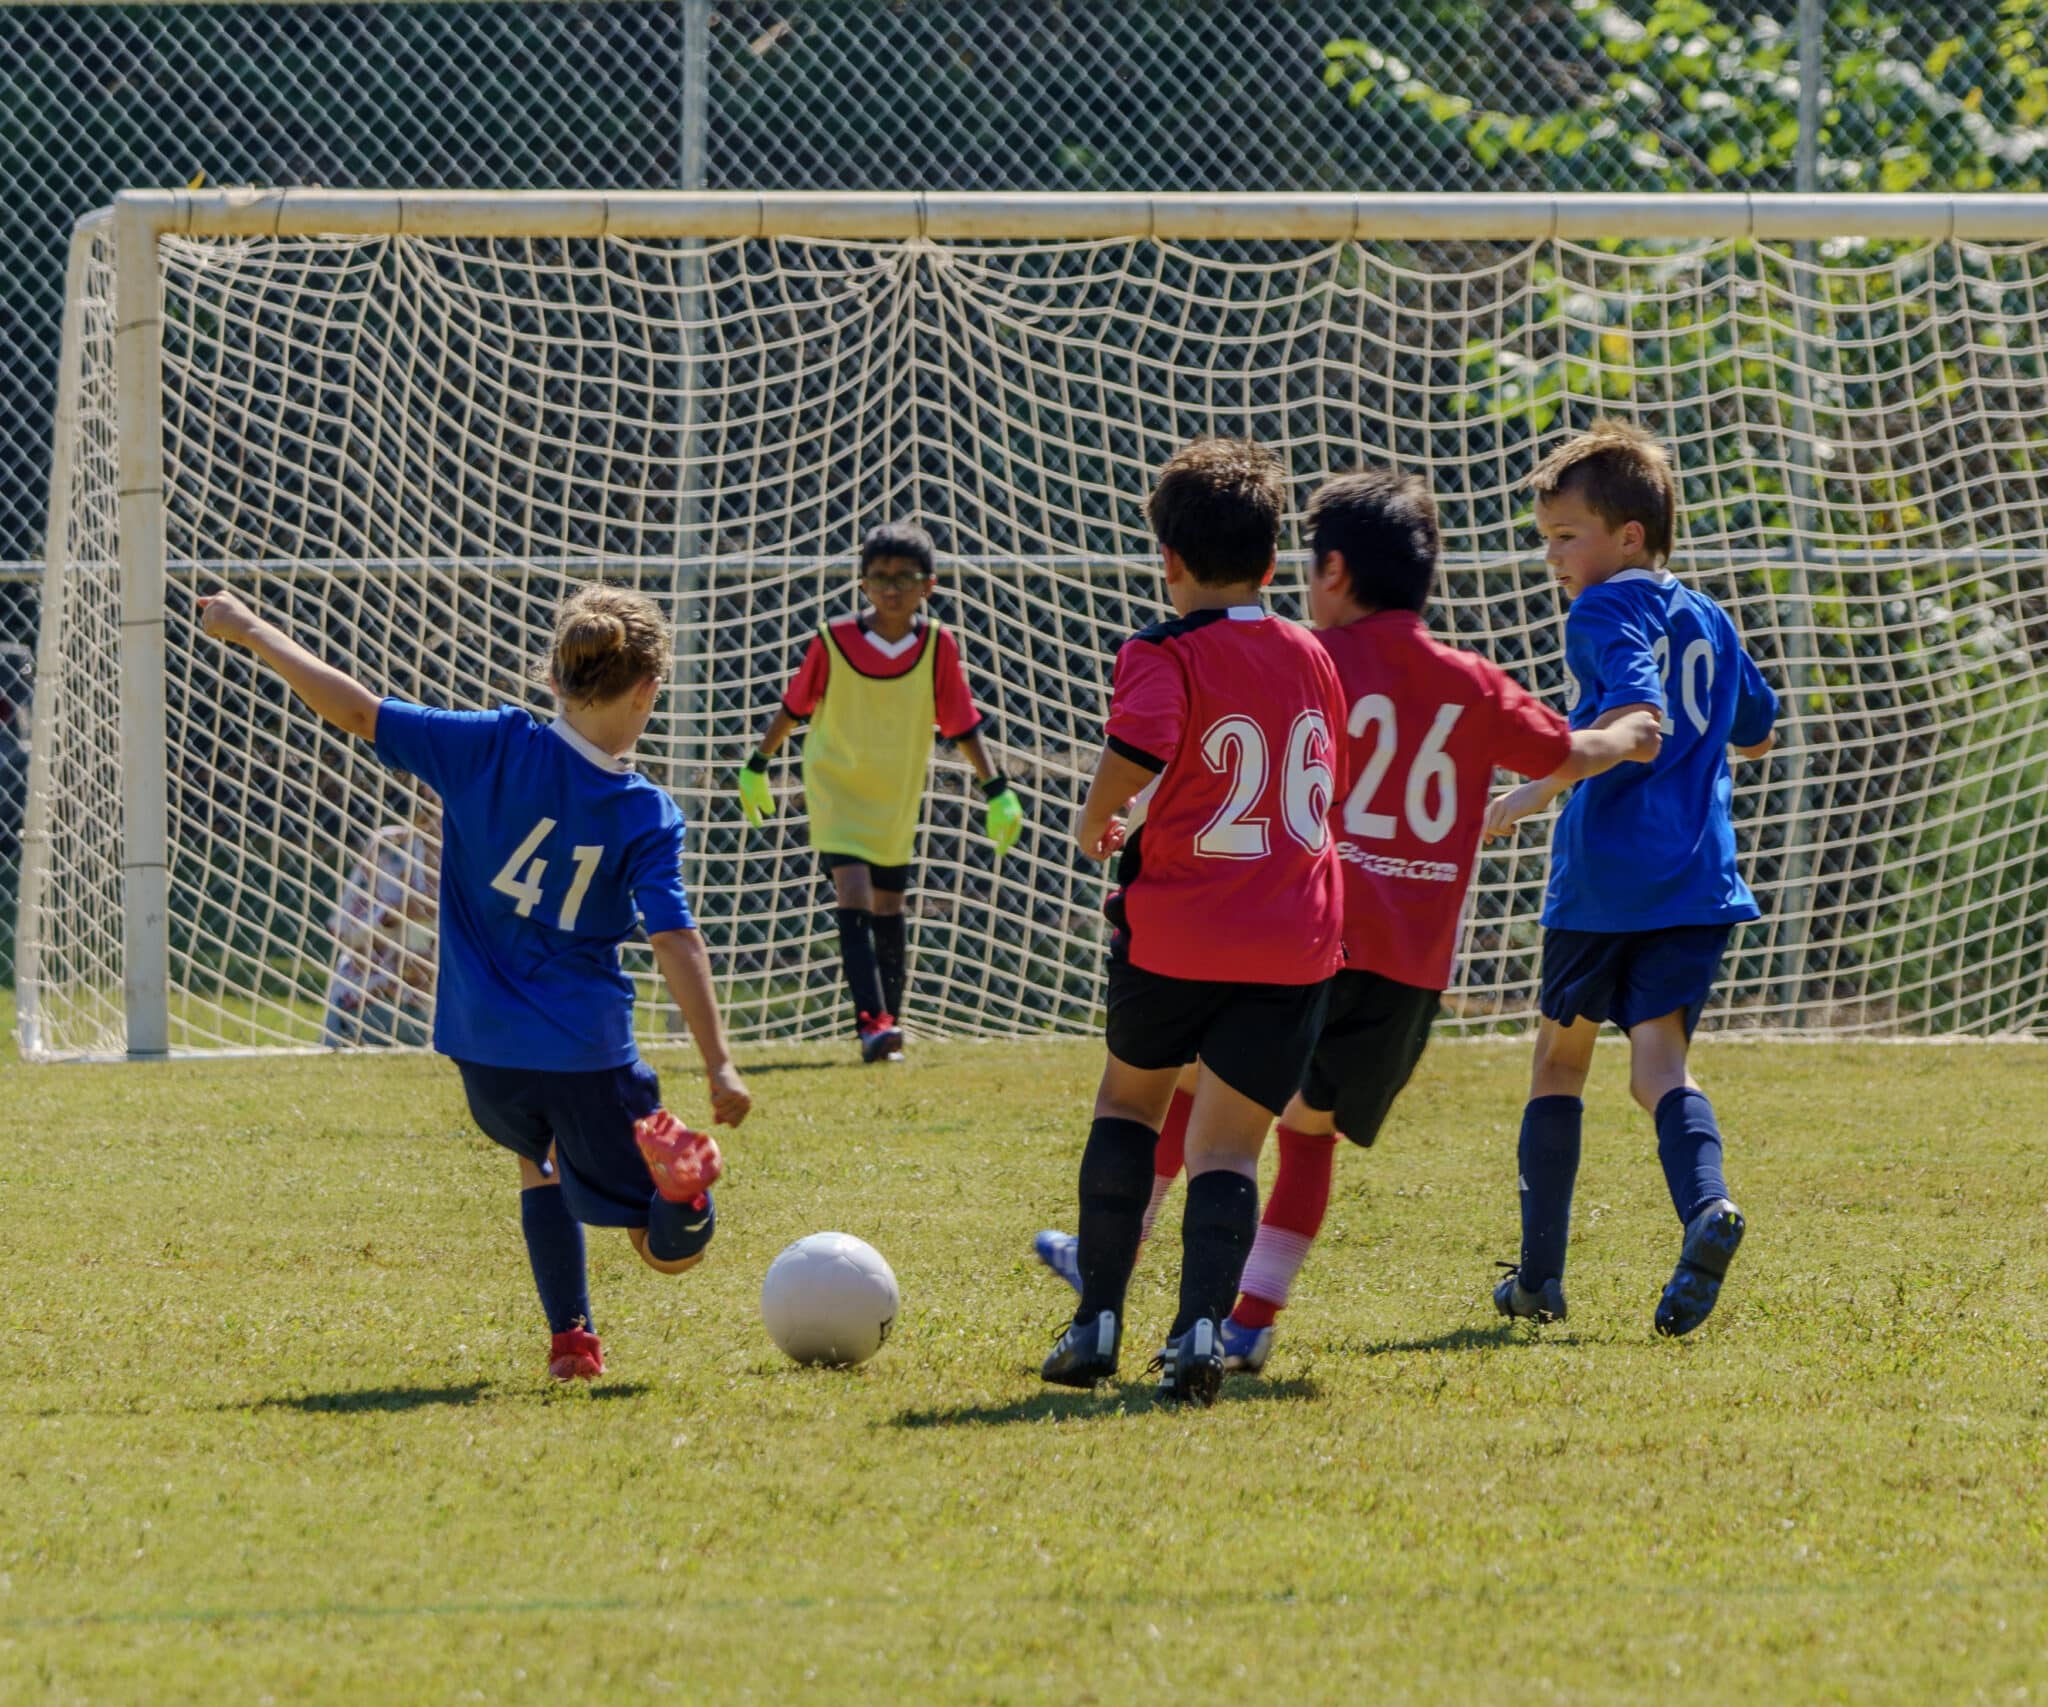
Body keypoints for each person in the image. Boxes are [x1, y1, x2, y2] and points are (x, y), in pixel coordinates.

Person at [1033, 471, 1661, 1374]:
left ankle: (1110, 1269)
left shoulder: (1301, 655)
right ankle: (1241, 1319)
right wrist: (1629, 735)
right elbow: (1563, 748)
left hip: (1287, 932)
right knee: (1296, 1134)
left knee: (1172, 1097)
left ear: (1327, 570)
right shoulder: (1455, 678)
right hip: (1395, 961)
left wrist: (1117, 831)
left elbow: (1186, 762)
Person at [197, 583, 753, 1382]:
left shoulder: (489, 744)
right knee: (664, 1249)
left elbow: (356, 710)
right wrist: (719, 1063)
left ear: (554, 681)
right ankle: (686, 1195)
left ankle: (572, 1341)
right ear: (648, 690)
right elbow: (673, 936)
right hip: (588, 1052)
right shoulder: (645, 811)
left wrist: (252, 630)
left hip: (482, 1050)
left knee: (541, 1161)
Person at [1037, 436, 1348, 1407]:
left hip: (1174, 933)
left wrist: (1099, 821)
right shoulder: (1311, 654)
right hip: (1291, 943)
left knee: (1128, 1105)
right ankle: (1199, 1333)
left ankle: (1095, 1321)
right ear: (1270, 565)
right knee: (1224, 1148)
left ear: (1168, 561)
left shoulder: (1160, 647)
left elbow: (1141, 741)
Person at [1483, 420, 1778, 1337]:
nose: (1555, 558)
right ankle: (1706, 1208)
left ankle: (1537, 1279)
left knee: (1559, 1063)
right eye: (1547, 540)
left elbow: (1634, 719)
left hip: (1605, 884)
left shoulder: (1604, 612)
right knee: (1660, 1069)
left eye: (1566, 537)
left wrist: (1536, 787)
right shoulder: (1711, 615)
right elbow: (1758, 728)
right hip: (1697, 884)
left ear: (1629, 538)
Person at [738, 522, 1023, 1064]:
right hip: (835, 785)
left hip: (895, 794)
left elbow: (961, 722)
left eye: (905, 578)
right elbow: (795, 706)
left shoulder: (938, 645)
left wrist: (997, 790)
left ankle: (891, 1020)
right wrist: (758, 764)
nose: (892, 588)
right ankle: (871, 1024)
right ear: (863, 584)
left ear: (928, 586)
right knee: (854, 893)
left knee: (891, 904)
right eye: (880, 577)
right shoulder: (832, 640)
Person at [323, 797, 439, 1050]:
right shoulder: (388, 848)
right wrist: (392, 916)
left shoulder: (489, 856)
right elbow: (344, 932)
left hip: (457, 1014)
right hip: (372, 1003)